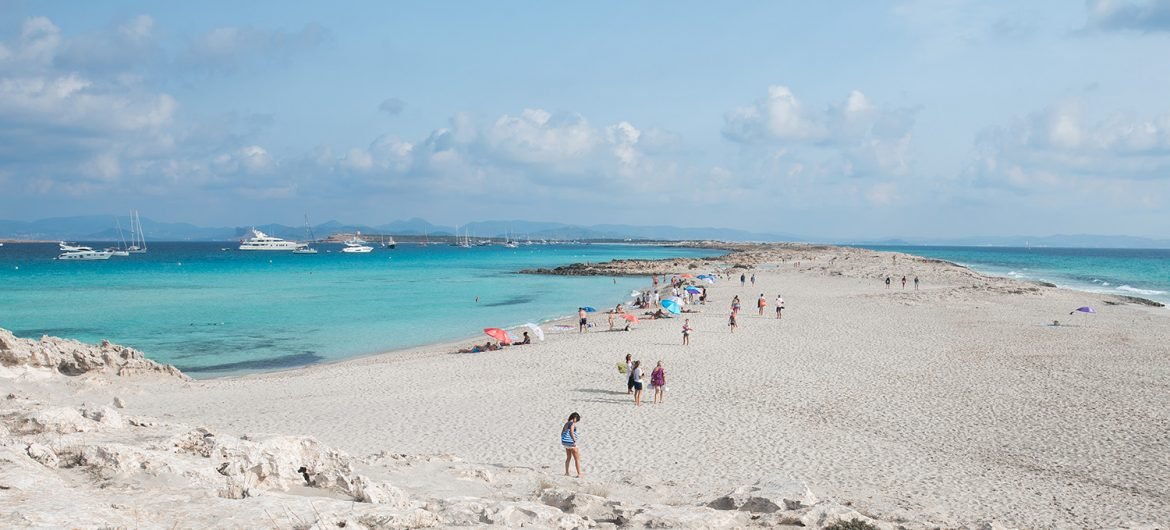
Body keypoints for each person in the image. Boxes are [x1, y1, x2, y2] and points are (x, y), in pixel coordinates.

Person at [561, 412, 582, 478]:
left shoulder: (566, 424)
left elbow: (562, 433)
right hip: (571, 443)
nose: (576, 422)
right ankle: (579, 474)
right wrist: (574, 440)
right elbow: (571, 432)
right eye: (577, 420)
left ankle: (567, 472)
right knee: (577, 459)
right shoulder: (572, 424)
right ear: (574, 418)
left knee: (568, 457)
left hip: (565, 443)